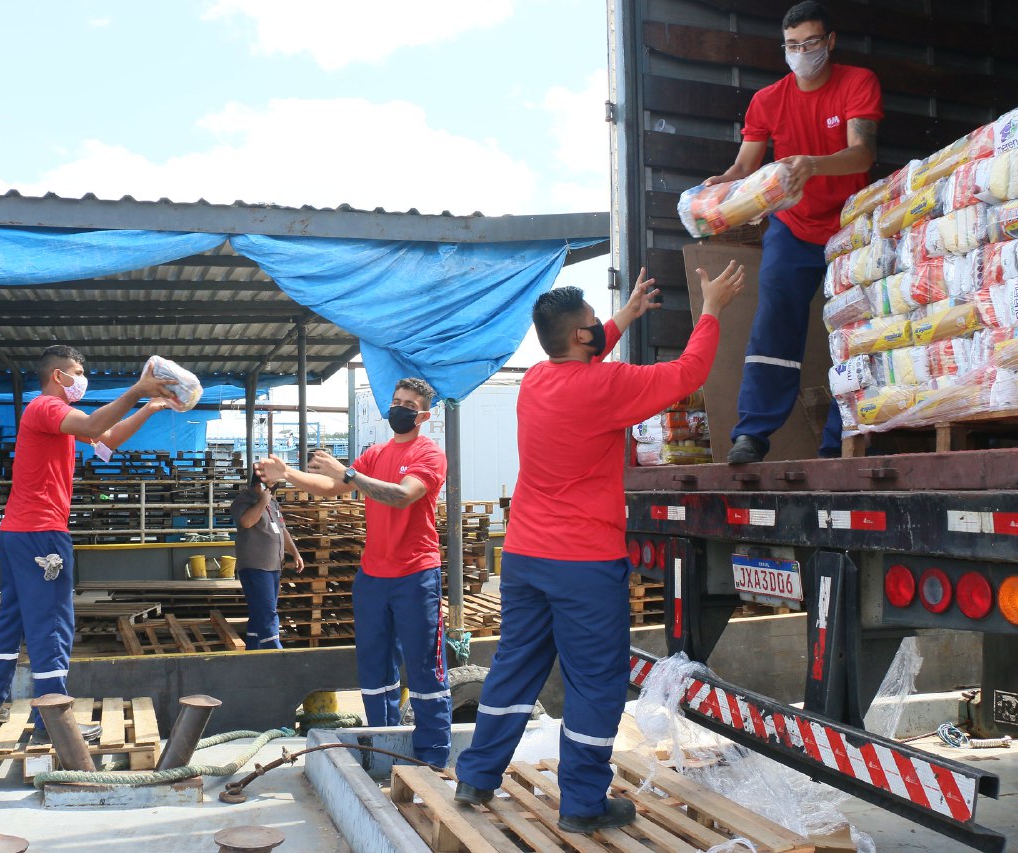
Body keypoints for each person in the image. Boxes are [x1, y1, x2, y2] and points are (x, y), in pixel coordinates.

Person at [453, 262, 745, 833]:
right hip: (582, 563)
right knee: (596, 682)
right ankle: (583, 804)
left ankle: (476, 775)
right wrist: (711, 310)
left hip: (525, 557)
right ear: (582, 337)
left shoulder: (535, 381)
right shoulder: (604, 388)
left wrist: (626, 314)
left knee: (515, 666)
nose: (599, 329)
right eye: (594, 323)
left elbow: (586, 345)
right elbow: (688, 373)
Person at [705, 1, 882, 463]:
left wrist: (812, 165)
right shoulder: (768, 100)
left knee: (853, 326)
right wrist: (720, 186)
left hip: (850, 223)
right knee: (774, 321)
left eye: (809, 43)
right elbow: (745, 164)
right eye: (791, 45)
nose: (801, 52)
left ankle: (840, 441)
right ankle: (752, 434)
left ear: (830, 42)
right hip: (792, 225)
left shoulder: (857, 83)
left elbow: (861, 154)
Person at [0, 345, 175, 741]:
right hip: (41, 533)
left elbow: (107, 441)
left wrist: (149, 408)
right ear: (57, 376)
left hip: (19, 531)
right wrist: (137, 390)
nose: (82, 379)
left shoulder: (54, 418)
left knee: (12, 618)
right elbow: (90, 428)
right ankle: (53, 720)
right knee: (52, 622)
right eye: (77, 372)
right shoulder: (48, 407)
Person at [255, 378, 450, 767]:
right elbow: (330, 486)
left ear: (423, 415)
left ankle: (434, 758)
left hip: (415, 575)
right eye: (396, 401)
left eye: (409, 404)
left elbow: (400, 496)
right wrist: (287, 473)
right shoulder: (375, 454)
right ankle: (382, 749)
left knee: (425, 668)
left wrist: (348, 474)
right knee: (375, 669)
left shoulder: (429, 454)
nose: (400, 408)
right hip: (373, 578)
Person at [230, 470, 304, 650]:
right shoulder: (243, 501)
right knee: (268, 611)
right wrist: (262, 501)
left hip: (273, 566)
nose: (274, 488)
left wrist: (295, 553)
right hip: (255, 566)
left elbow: (282, 529)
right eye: (271, 484)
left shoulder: (273, 502)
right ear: (260, 483)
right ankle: (274, 651)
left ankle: (253, 649)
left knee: (259, 611)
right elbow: (246, 522)